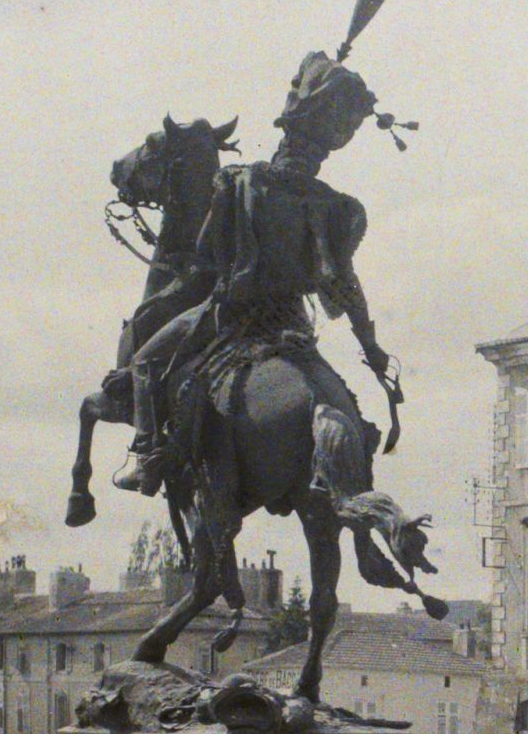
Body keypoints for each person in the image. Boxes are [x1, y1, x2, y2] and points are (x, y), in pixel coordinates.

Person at [112, 51, 397, 495]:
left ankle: (147, 458)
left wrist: (170, 287)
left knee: (147, 361)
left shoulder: (240, 183)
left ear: (286, 129)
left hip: (232, 317)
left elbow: (205, 261)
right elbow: (347, 288)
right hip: (295, 328)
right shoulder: (335, 206)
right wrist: (372, 349)